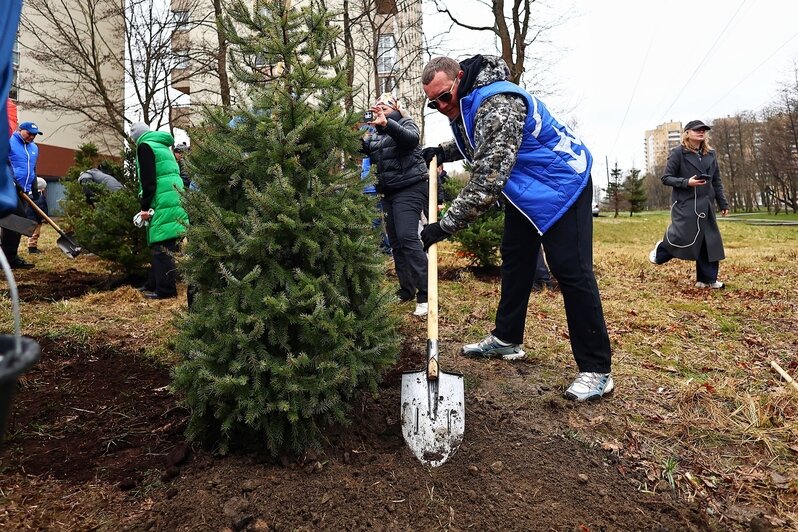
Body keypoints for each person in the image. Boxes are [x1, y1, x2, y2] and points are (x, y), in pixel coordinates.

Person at [419, 55, 613, 401]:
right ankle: (507, 339)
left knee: (571, 271)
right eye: (433, 104)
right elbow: (480, 139)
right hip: (529, 190)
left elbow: (486, 182)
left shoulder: (499, 104)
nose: (441, 107)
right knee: (516, 258)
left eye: (444, 98)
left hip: (563, 183)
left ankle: (597, 370)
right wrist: (444, 151)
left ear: (459, 78)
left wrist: (443, 227)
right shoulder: (469, 100)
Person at [361, 93, 429, 317]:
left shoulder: (405, 122)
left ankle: (426, 294)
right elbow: (361, 150)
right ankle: (406, 289)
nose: (380, 112)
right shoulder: (374, 134)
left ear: (396, 109)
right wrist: (355, 135)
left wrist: (388, 124)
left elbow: (410, 140)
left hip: (410, 187)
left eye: (385, 109)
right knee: (397, 242)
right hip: (388, 192)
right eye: (377, 109)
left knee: (408, 237)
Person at [648, 120, 729, 288]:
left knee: (709, 240)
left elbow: (716, 181)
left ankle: (707, 279)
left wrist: (723, 203)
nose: (701, 132)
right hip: (685, 204)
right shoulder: (678, 153)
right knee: (683, 237)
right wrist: (687, 182)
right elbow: (666, 178)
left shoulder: (711, 154)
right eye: (697, 130)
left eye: (704, 130)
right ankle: (661, 251)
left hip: (706, 204)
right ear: (687, 133)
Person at [130, 122, 189, 300]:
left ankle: (166, 291)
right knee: (163, 244)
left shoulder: (145, 146)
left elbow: (149, 181)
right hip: (174, 197)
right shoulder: (163, 145)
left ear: (136, 138)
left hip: (162, 200)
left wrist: (144, 206)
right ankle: (152, 284)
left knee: (161, 247)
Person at [3, 121, 44, 269]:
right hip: (8, 188)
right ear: (20, 130)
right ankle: (9, 257)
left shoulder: (34, 148)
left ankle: (7, 257)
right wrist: (12, 180)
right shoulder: (8, 142)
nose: (32, 137)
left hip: (23, 191)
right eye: (29, 133)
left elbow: (32, 169)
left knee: (13, 224)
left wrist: (33, 187)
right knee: (20, 221)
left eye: (35, 134)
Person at [24, 177, 48, 253]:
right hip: (36, 219)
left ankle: (31, 246)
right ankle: (32, 248)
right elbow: (40, 209)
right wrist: (43, 218)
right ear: (41, 188)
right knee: (35, 234)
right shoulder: (38, 197)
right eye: (44, 187)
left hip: (31, 218)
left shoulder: (29, 196)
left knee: (32, 233)